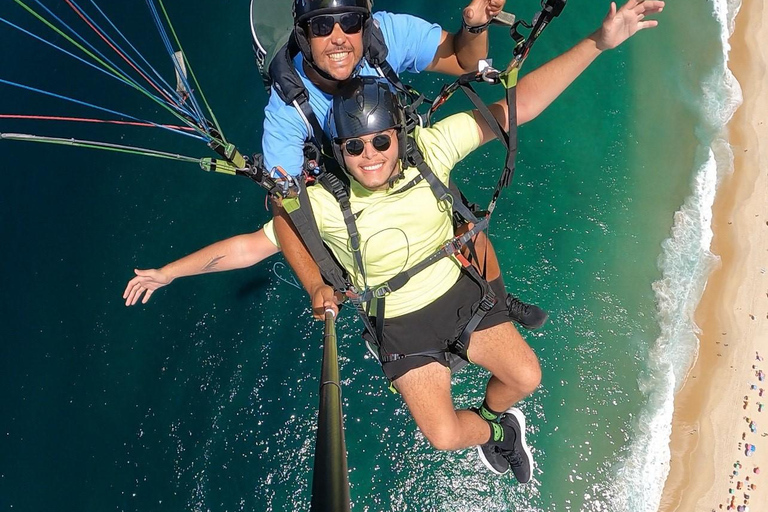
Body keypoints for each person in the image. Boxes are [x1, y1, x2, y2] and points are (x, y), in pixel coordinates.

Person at [126, 1, 665, 484]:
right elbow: (269, 233)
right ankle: (494, 432)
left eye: (382, 140)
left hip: (446, 266)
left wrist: (594, 40)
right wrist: (180, 273)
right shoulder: (296, 143)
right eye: (355, 146)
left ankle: (498, 361)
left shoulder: (415, 119)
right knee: (446, 433)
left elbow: (508, 98)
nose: (370, 153)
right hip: (399, 317)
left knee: (461, 228)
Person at [125, 0, 550, 328]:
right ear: (304, 33)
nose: (339, 36)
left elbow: (465, 61)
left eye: (349, 22)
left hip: (394, 153)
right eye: (321, 26)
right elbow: (282, 221)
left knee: (461, 223)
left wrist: (474, 25)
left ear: (364, 24)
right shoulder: (286, 116)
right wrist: (316, 283)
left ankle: (496, 300)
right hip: (341, 177)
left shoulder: (384, 36)